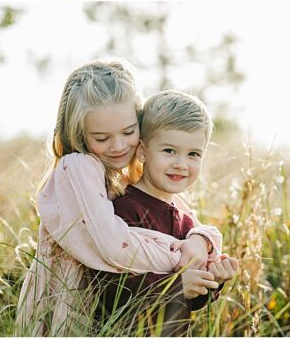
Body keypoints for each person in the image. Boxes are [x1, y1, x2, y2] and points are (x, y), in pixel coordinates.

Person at [14, 60, 222, 336]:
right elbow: (115, 247)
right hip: (71, 307)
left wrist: (200, 242)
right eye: (101, 137)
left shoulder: (122, 175)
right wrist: (185, 256)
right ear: (79, 133)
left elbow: (188, 220)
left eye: (128, 132)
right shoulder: (78, 167)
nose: (118, 145)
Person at [90, 90, 240, 335]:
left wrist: (213, 280)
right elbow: (107, 287)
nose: (181, 163)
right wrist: (176, 286)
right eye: (169, 150)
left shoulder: (187, 222)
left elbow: (191, 302)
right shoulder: (125, 209)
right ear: (142, 151)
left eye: (193, 154)